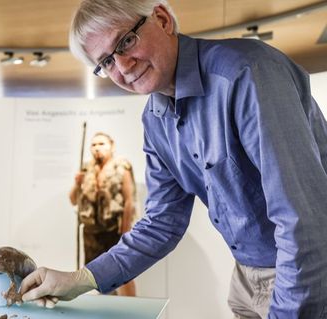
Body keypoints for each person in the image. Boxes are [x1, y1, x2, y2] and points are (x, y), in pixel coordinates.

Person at [20, 0, 327, 317]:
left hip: (306, 272)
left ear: (162, 19)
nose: (123, 66)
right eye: (107, 62)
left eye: (126, 41)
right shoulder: (155, 121)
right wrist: (81, 279)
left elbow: (303, 224)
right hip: (247, 277)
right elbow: (161, 224)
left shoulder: (245, 75)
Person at [69, 132, 136, 296]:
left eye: (101, 144)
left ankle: (132, 310)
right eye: (93, 145)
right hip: (91, 233)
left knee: (123, 272)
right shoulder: (86, 169)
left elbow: (129, 201)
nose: (97, 148)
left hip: (114, 230)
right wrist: (77, 184)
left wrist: (125, 232)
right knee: (95, 274)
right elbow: (73, 200)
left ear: (111, 145)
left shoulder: (121, 167)